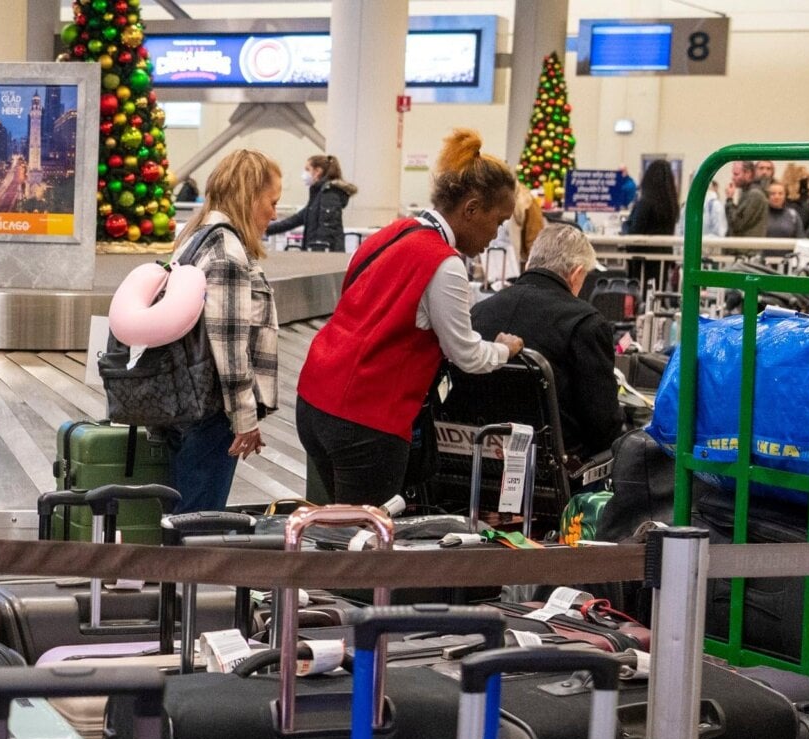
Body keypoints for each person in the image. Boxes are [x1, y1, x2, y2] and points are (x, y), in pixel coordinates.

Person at [293, 129, 523, 506]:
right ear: (471, 209)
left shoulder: (390, 233)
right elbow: (466, 354)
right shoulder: (444, 263)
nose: (495, 235)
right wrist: (503, 350)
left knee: (334, 532)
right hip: (365, 423)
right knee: (365, 543)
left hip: (315, 403)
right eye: (497, 221)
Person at [158, 150, 282, 512]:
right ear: (249, 195)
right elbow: (229, 347)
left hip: (184, 402)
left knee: (178, 517)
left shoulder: (194, 237)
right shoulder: (227, 252)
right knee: (198, 525)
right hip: (213, 412)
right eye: (271, 202)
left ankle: (168, 570)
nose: (274, 214)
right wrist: (245, 419)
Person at [466, 225, 624, 460]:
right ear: (577, 273)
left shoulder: (478, 313)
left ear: (530, 264)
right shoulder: (585, 323)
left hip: (474, 462)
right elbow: (604, 425)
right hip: (556, 472)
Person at [264, 153, 353, 252]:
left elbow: (327, 230)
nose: (304, 174)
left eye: (307, 169)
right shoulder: (318, 196)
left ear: (318, 171)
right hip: (317, 253)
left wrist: (316, 252)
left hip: (323, 255)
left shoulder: (328, 194)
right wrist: (264, 229)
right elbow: (295, 220)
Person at [622, 159, 679, 286]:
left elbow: (634, 231)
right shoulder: (672, 204)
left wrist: (625, 226)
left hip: (643, 261)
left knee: (641, 295)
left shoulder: (645, 203)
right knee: (657, 294)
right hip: (663, 258)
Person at [727, 161, 768, 238]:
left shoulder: (754, 195)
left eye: (736, 174)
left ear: (748, 174)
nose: (733, 177)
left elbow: (737, 224)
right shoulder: (746, 192)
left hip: (747, 248)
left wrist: (729, 200)